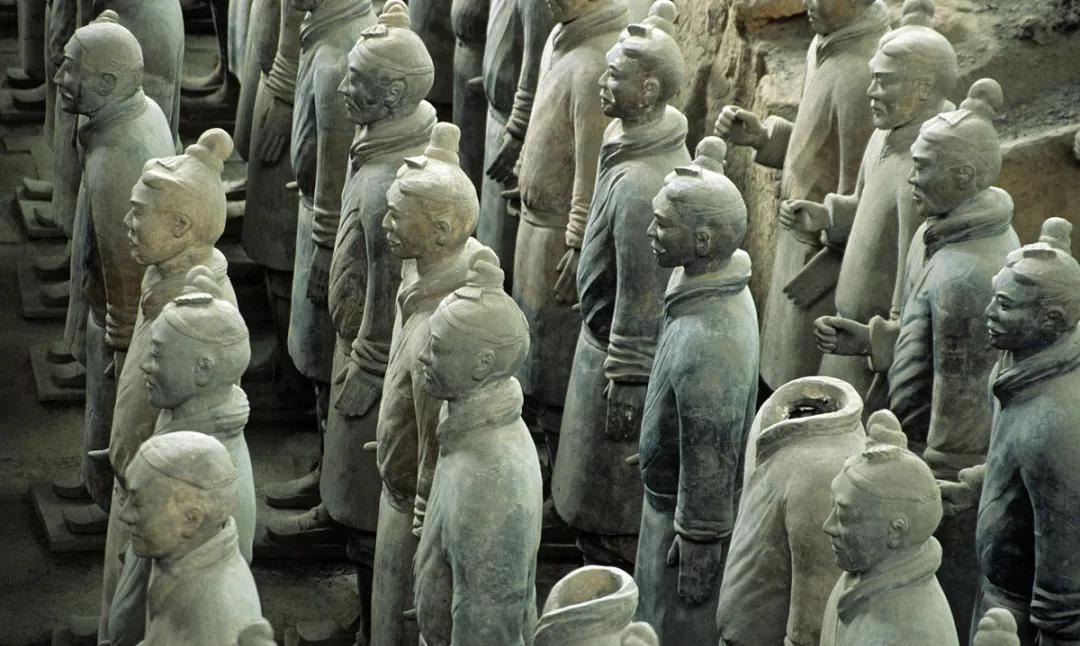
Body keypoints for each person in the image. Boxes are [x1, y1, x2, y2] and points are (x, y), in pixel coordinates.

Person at [103, 128, 238, 646]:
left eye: (139, 213)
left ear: (181, 226)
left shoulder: (198, 314)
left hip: (159, 490)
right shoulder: (163, 276)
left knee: (138, 609)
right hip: (136, 474)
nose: (127, 222)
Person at [714, 0, 888, 391]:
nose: (808, 2)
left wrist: (826, 226)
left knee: (799, 385)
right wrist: (764, 137)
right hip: (795, 244)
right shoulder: (824, 44)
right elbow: (817, 149)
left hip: (821, 265)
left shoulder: (864, 76)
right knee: (776, 373)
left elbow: (865, 203)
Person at [797, 0, 958, 400]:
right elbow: (863, 207)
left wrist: (876, 341)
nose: (870, 92)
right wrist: (826, 217)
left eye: (883, 82)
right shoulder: (883, 136)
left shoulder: (922, 172)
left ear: (922, 88)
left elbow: (913, 290)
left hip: (871, 362)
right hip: (843, 335)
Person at [372, 122, 493, 646]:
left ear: (442, 231)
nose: (386, 224)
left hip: (414, 509)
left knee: (401, 608)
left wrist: (424, 520)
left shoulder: (447, 326)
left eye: (397, 216)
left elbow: (438, 445)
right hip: (395, 484)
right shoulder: (418, 269)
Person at [634, 137, 757, 644]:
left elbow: (710, 450)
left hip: (681, 533)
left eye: (662, 224)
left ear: (702, 240)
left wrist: (700, 538)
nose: (650, 231)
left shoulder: (709, 341)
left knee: (670, 628)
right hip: (669, 501)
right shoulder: (702, 283)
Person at [942, 219, 1080, 645]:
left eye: (1004, 305)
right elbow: (1024, 462)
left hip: (1025, 620)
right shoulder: (1018, 361)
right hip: (998, 595)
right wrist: (981, 487)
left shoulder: (1056, 423)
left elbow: (1064, 590)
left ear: (1051, 319)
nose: (988, 313)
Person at [414, 253, 542, 646]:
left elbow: (487, 630)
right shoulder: (467, 424)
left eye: (438, 349)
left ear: (482, 364)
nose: (422, 356)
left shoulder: (490, 484)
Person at [820, 410, 958, 646]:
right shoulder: (861, 576)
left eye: (843, 516)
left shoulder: (904, 633)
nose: (828, 526)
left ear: (895, 531)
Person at [119, 432, 261, 645]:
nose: (124, 515)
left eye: (138, 503)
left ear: (191, 519)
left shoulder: (211, 619)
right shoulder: (180, 555)